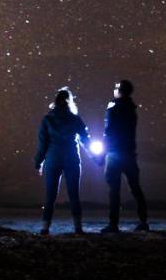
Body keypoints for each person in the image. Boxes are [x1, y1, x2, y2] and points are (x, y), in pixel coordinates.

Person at [34, 87, 91, 235]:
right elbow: (85, 140)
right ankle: (78, 228)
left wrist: (38, 162)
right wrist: (95, 156)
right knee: (74, 195)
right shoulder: (75, 119)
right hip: (71, 158)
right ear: (69, 102)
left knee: (50, 195)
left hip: (53, 159)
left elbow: (42, 144)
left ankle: (45, 228)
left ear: (56, 101)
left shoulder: (47, 119)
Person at [99, 79, 148, 232]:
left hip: (114, 153)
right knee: (135, 188)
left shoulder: (113, 108)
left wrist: (102, 155)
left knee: (114, 190)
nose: (114, 89)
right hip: (129, 153)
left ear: (120, 91)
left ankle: (113, 224)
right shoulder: (131, 109)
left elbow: (108, 132)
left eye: (116, 88)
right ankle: (143, 221)